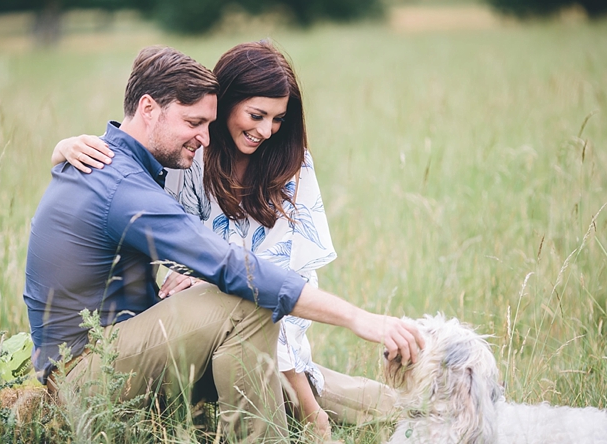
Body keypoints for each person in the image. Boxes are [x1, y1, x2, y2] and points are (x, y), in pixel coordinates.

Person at [30, 45, 424, 443]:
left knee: (288, 375)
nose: (204, 137)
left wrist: (61, 149)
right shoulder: (122, 181)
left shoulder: (122, 162)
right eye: (193, 122)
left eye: (208, 124)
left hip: (126, 351)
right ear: (148, 108)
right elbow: (233, 269)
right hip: (84, 376)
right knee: (246, 300)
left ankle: (433, 406)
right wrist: (360, 319)